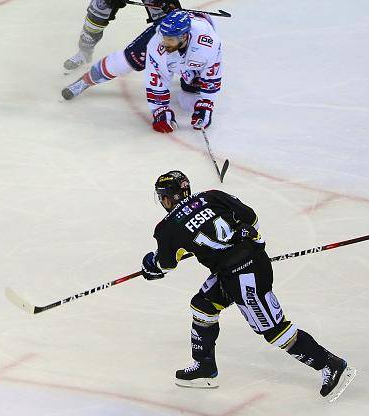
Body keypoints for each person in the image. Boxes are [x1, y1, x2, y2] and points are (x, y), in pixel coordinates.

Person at [141, 170, 357, 401]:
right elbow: (251, 219)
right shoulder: (211, 196)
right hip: (244, 265)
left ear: (167, 198)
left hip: (244, 277)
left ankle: (331, 365)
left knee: (273, 329)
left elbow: (164, 265)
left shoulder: (167, 228)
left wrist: (149, 264)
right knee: (203, 306)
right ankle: (204, 368)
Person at [63, 10, 222, 134]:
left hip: (194, 57)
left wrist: (206, 104)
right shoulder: (158, 42)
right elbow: (156, 78)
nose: (165, 43)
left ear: (184, 37)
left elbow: (212, 75)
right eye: (165, 38)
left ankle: (189, 79)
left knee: (189, 102)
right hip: (175, 41)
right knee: (124, 62)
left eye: (170, 40)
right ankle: (85, 80)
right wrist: (160, 110)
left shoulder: (208, 44)